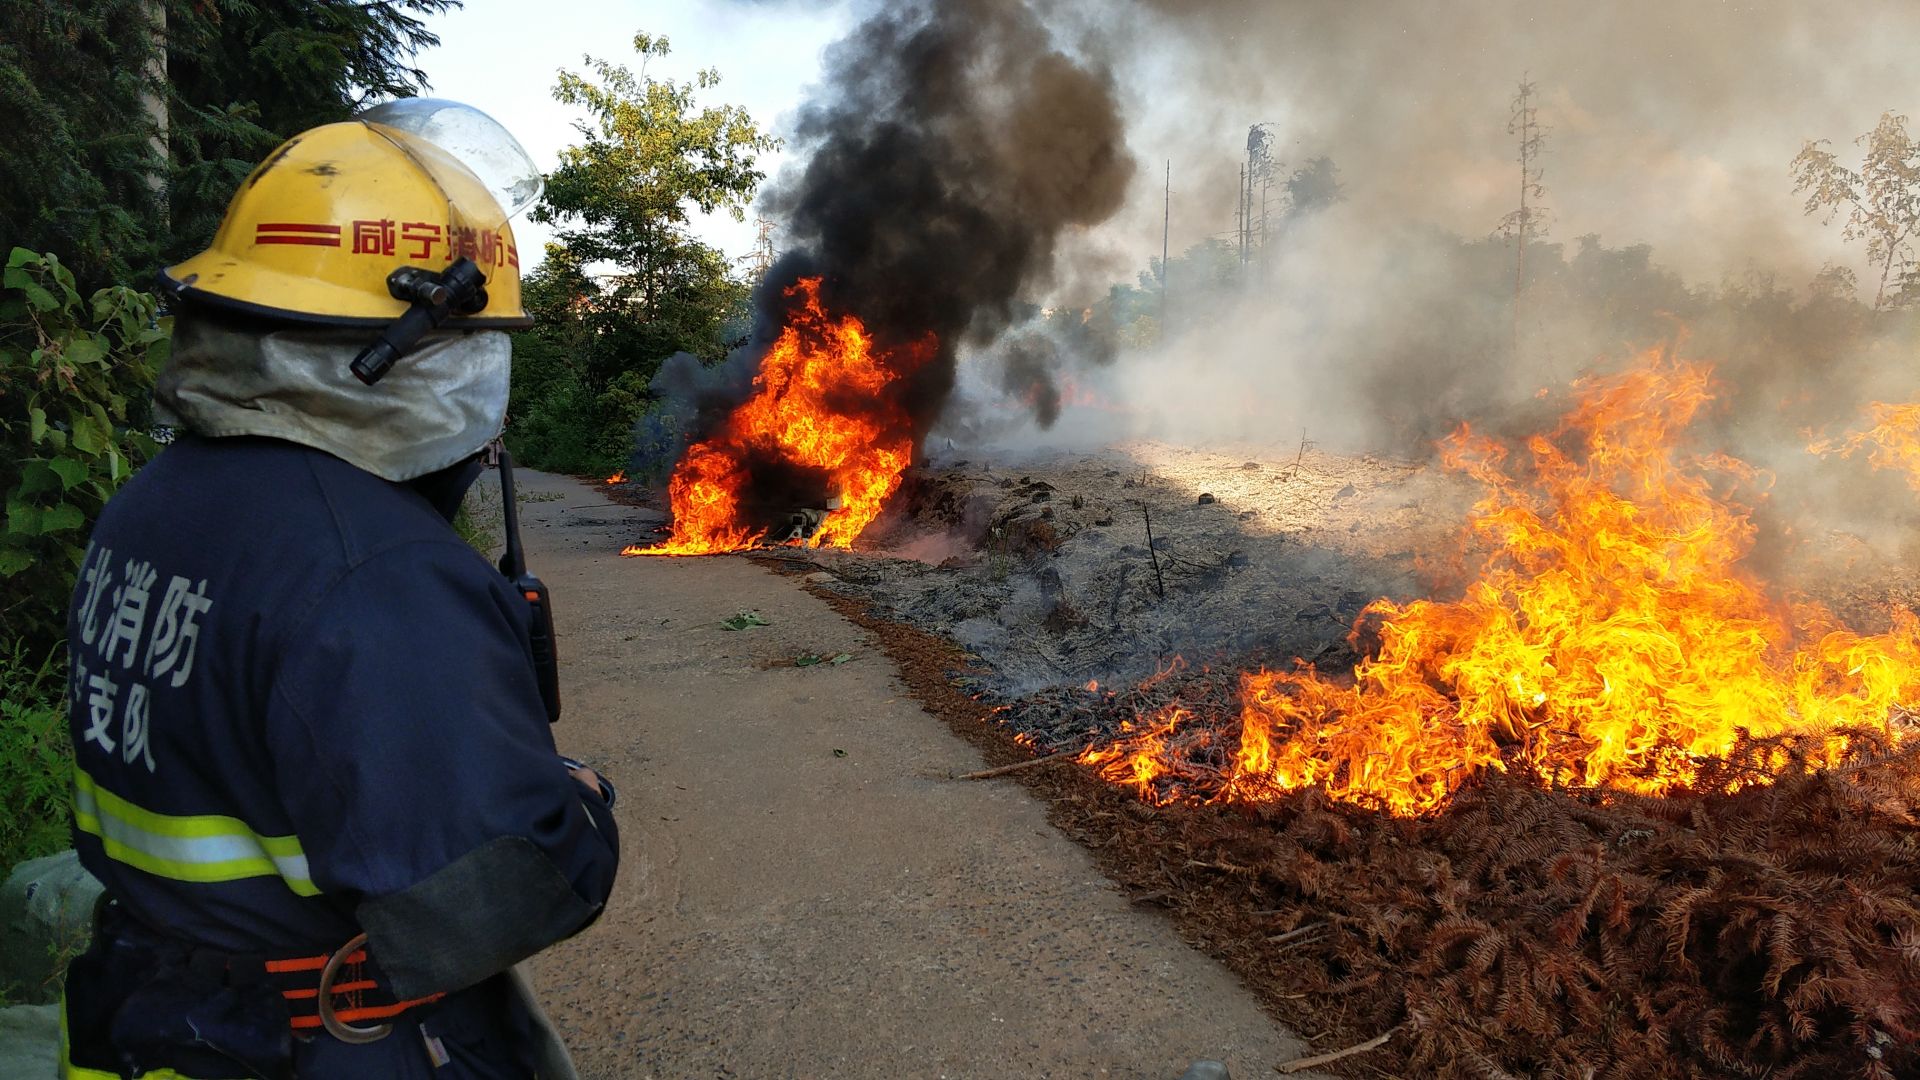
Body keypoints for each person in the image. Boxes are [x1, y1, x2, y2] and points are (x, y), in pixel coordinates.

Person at [59, 100, 618, 1079]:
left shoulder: (150, 503)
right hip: (321, 1044)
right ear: (400, 357)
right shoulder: (374, 574)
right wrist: (583, 808)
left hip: (148, 1022)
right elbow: (500, 895)